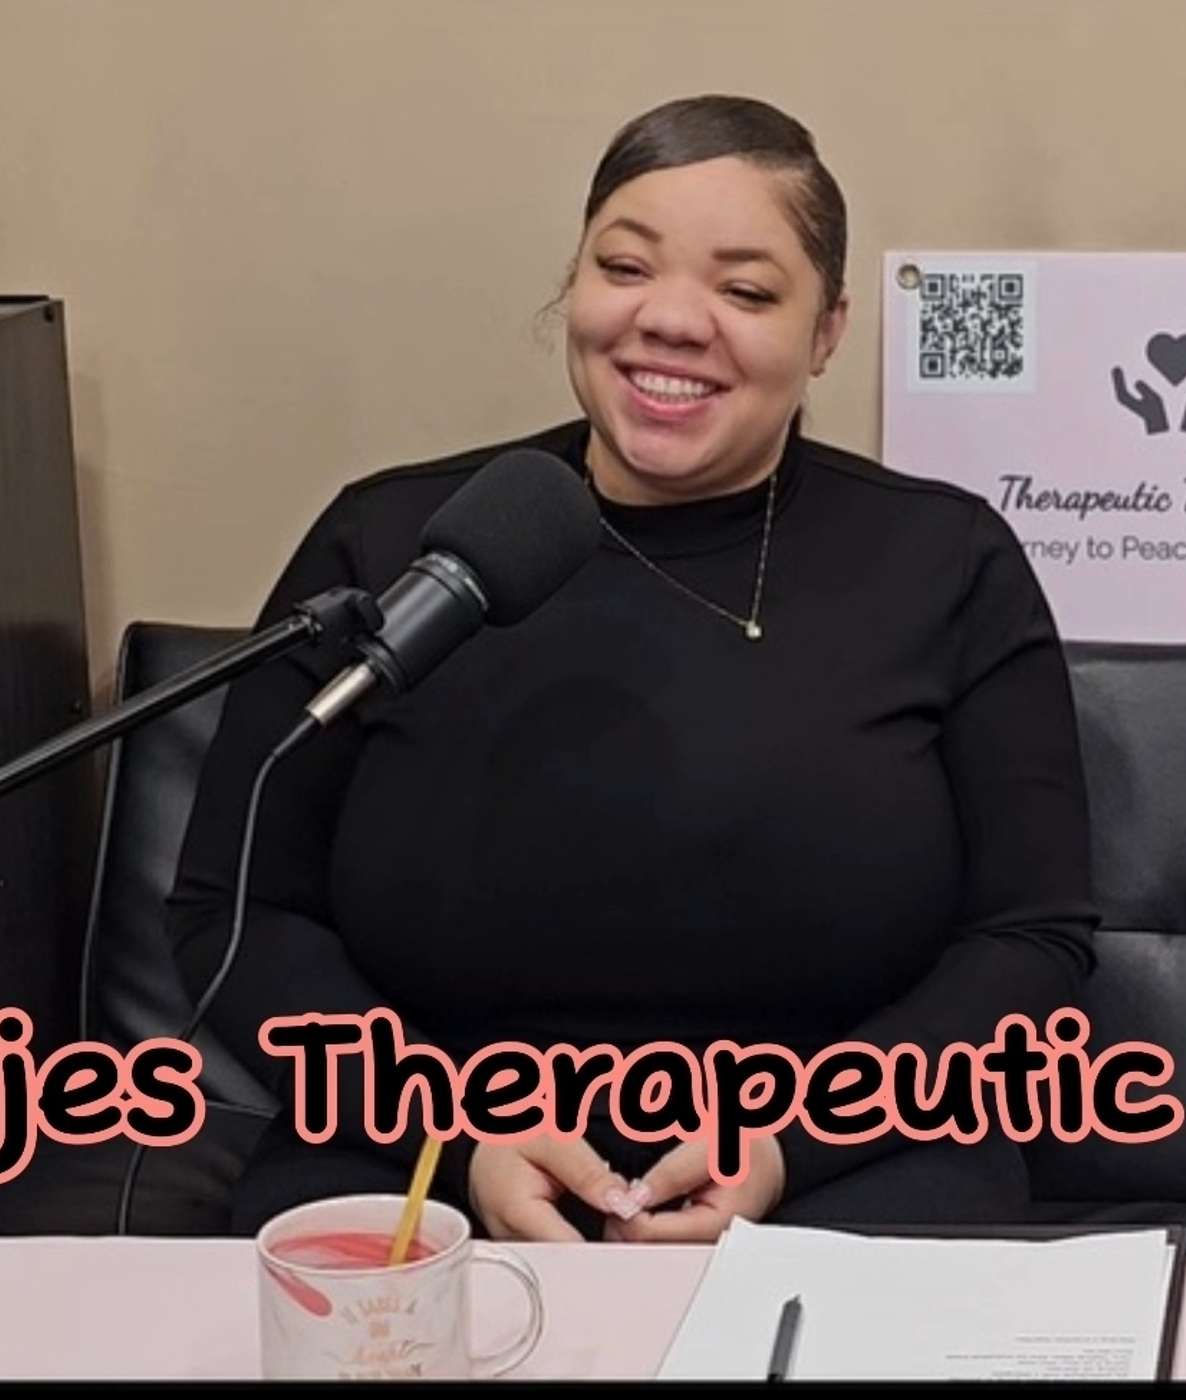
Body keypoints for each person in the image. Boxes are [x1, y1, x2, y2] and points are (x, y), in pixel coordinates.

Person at [168, 94, 1099, 1244]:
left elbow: (1029, 937)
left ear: (825, 332)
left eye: (744, 290)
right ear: (575, 285)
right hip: (414, 1150)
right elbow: (237, 908)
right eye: (624, 267)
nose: (668, 318)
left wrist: (787, 1143)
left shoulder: (943, 560)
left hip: (847, 1163)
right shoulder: (393, 542)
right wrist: (456, 1131)